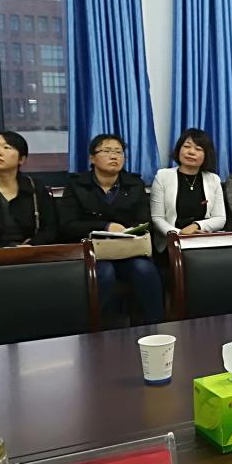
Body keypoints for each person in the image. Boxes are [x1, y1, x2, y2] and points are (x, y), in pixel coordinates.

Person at [57, 134, 163, 325]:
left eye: (118, 152)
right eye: (106, 151)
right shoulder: (76, 185)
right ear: (92, 158)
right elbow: (68, 225)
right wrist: (105, 226)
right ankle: (94, 328)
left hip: (128, 251)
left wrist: (128, 231)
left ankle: (156, 326)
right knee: (104, 273)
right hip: (93, 253)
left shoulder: (134, 184)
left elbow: (144, 221)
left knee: (144, 269)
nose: (114, 156)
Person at [150, 129, 226, 252]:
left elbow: (220, 218)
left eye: (198, 149)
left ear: (206, 155)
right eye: (186, 146)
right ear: (179, 149)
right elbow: (157, 218)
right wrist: (179, 234)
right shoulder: (162, 176)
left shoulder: (213, 179)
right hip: (172, 242)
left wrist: (197, 226)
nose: (191, 152)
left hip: (203, 240)